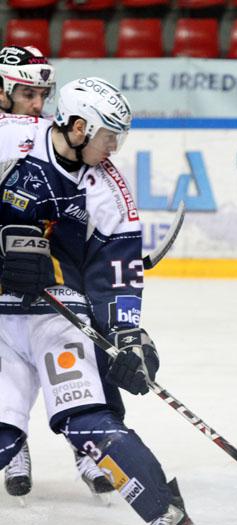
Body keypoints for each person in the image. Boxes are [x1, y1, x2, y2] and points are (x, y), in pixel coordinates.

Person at [0, 77, 198, 525]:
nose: (114, 147)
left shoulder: (108, 188)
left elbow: (118, 275)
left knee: (87, 419)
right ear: (79, 126)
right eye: (110, 135)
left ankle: (167, 519)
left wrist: (128, 335)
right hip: (1, 322)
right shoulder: (10, 138)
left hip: (58, 318)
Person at [0, 45, 113, 499]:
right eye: (27, 93)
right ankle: (13, 440)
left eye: (42, 94)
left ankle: (92, 447)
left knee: (92, 340)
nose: (38, 105)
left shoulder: (46, 136)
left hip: (49, 273)